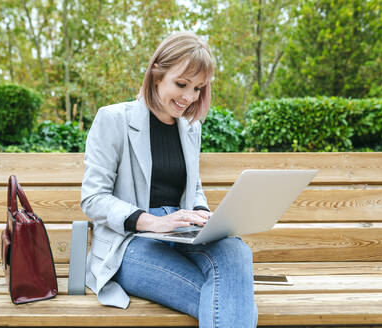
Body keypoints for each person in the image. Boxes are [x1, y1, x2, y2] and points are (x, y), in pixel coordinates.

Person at [81, 31, 258, 327]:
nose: (189, 98)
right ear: (156, 75)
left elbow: (194, 187)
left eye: (198, 88)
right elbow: (93, 199)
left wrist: (203, 215)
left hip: (182, 233)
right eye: (181, 84)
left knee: (236, 251)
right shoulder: (113, 119)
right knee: (227, 299)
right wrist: (152, 221)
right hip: (130, 243)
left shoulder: (191, 128)